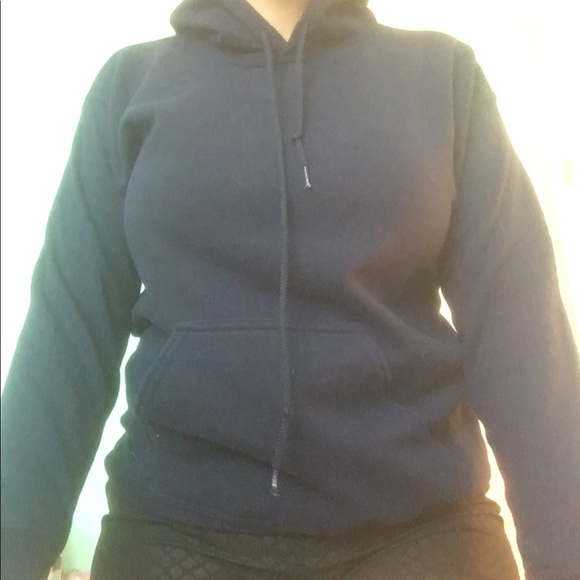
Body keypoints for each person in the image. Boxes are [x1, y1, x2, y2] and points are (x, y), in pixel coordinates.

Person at [2, 0, 579, 578]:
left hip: (424, 532)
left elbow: (523, 341)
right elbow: (64, 343)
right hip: (176, 531)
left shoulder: (444, 76)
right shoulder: (128, 86)